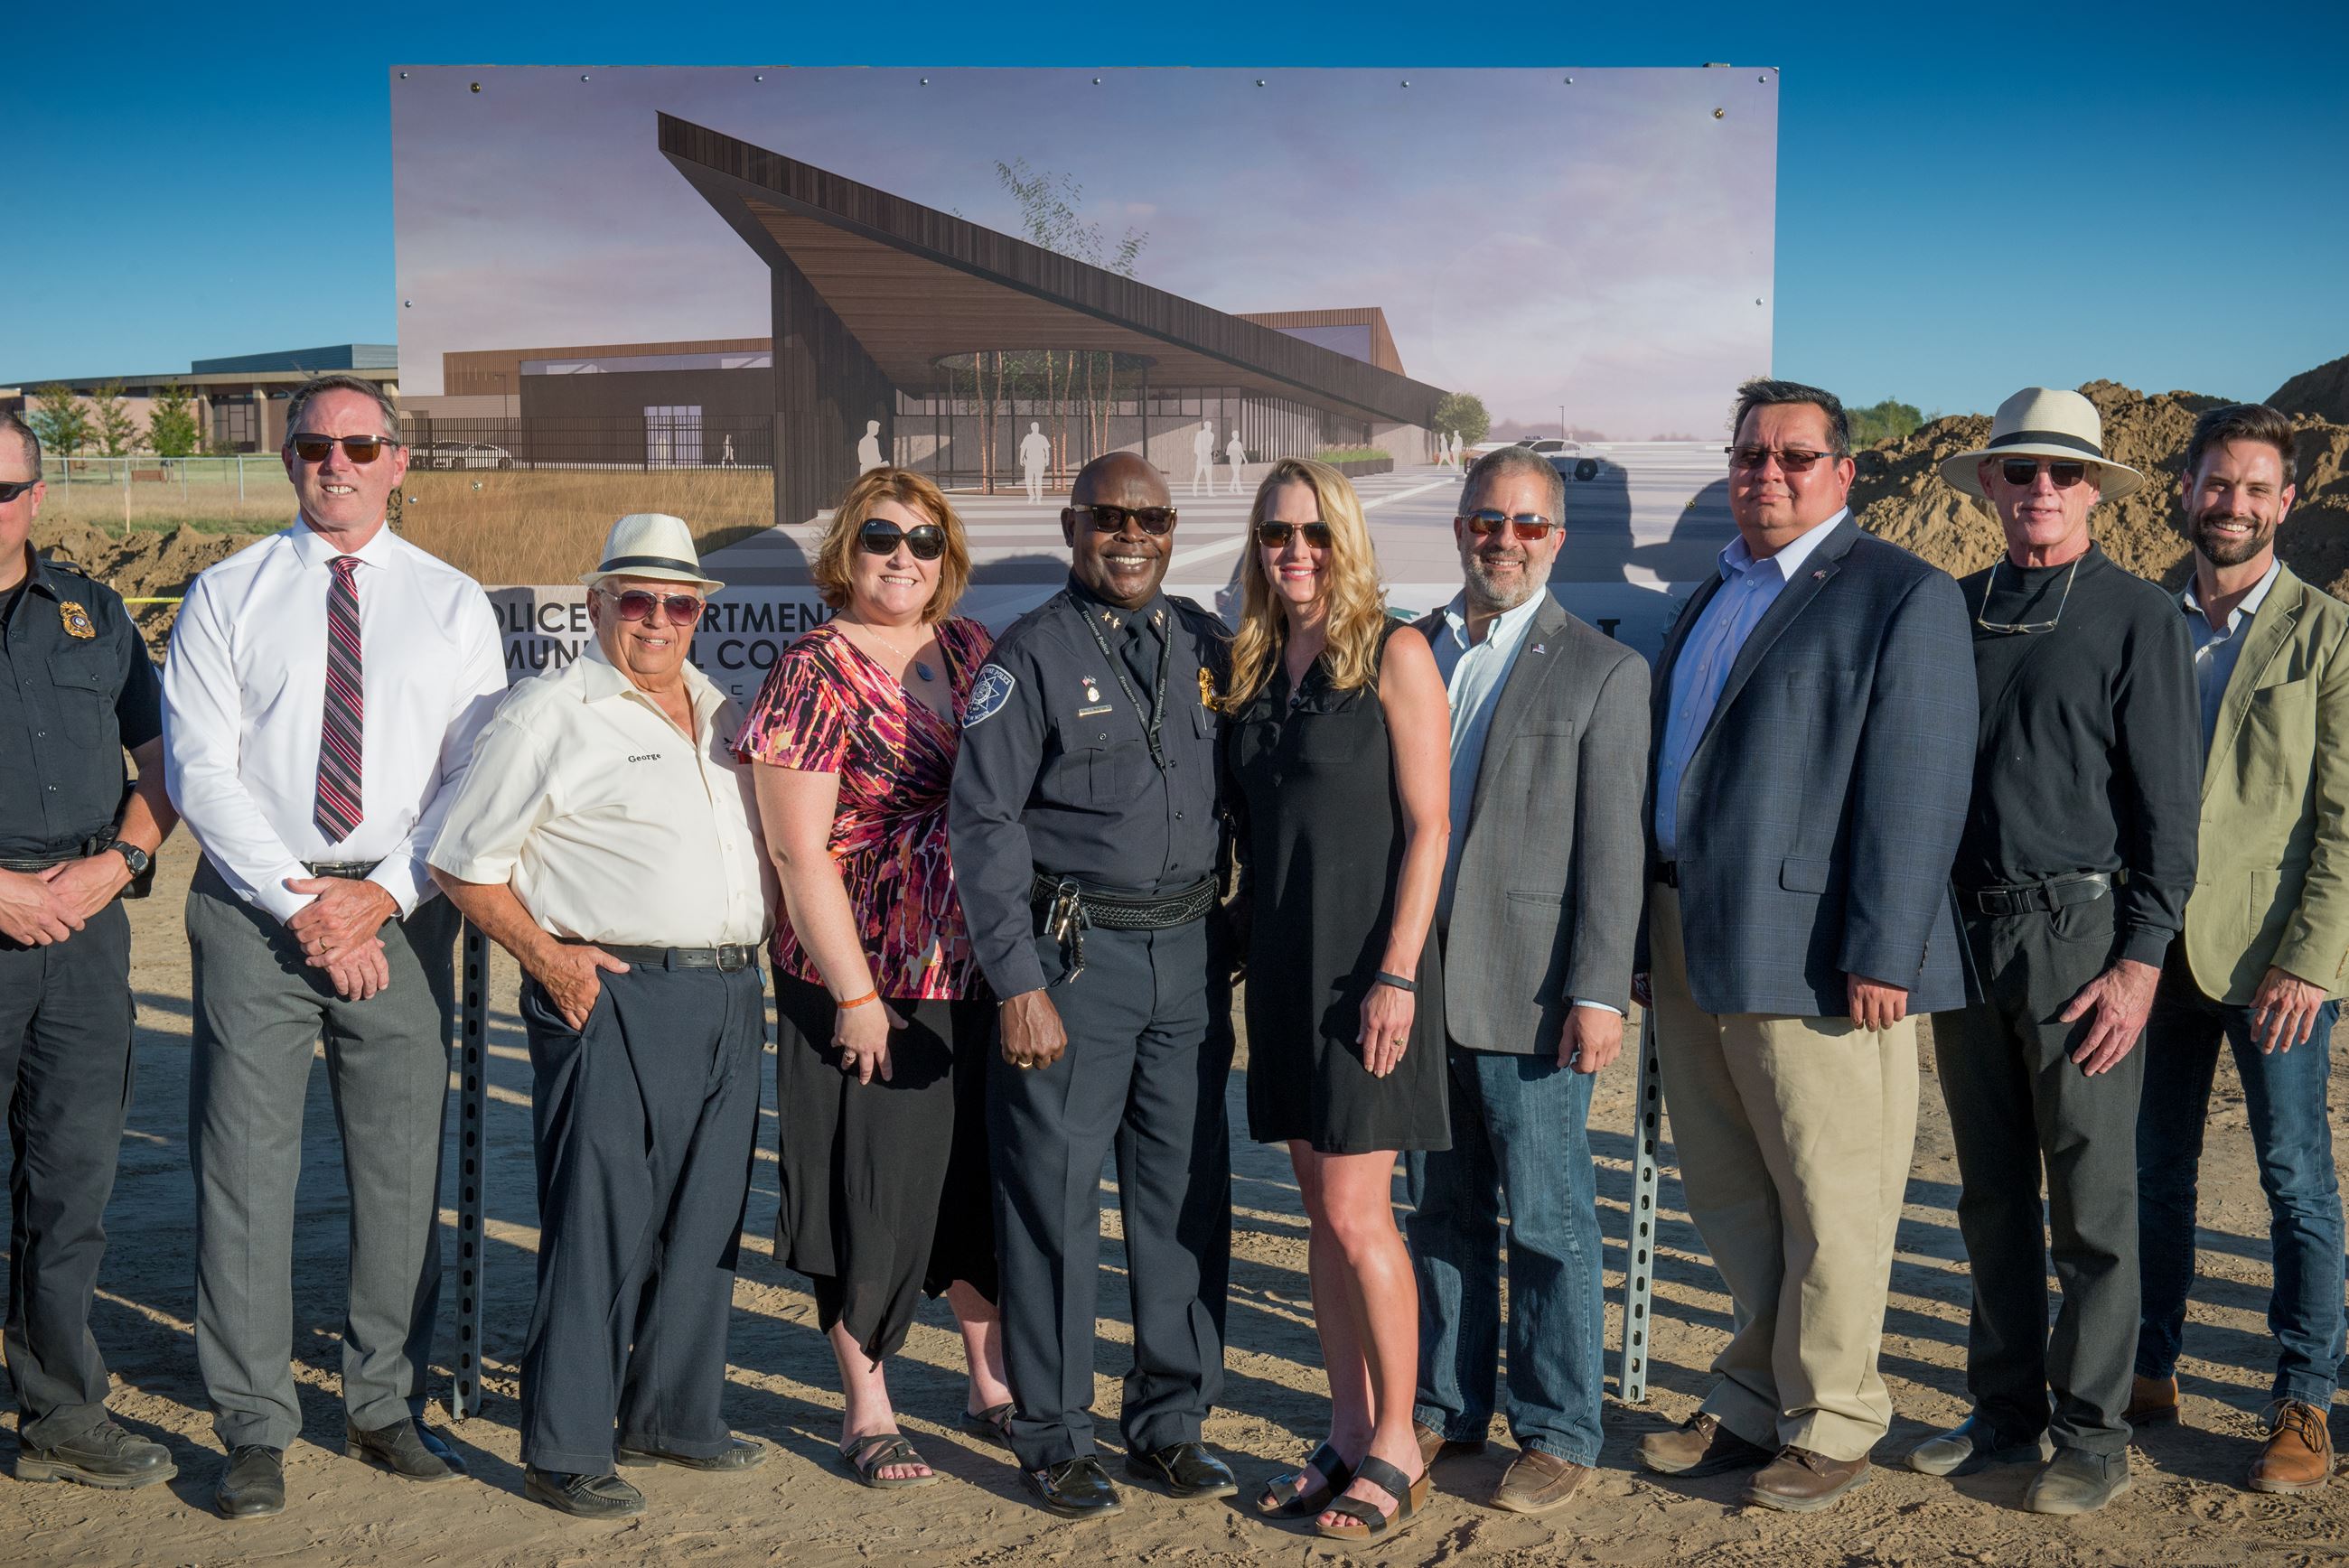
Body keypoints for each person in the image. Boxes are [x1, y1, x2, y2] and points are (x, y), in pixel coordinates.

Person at [162, 374, 506, 1518]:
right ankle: (254, 1424)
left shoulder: (457, 604)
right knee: (246, 1176)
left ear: (399, 461)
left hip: (399, 915)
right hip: (257, 911)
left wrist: (383, 897)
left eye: (361, 443)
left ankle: (383, 1404)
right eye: (314, 443)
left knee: (400, 1173)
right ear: (289, 457)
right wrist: (303, 901)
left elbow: (472, 776)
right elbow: (200, 769)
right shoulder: (225, 592)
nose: (336, 462)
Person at [1633, 378, 1977, 1514]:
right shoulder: (1708, 595)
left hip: (1818, 950)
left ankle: (1833, 1415)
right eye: (1746, 455)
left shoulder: (1897, 593)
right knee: (1732, 1188)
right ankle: (1749, 1392)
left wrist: (1884, 946)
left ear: (1843, 470)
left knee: (1833, 1191)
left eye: (1791, 456)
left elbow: (1917, 783)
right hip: (1692, 930)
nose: (1764, 474)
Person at [428, 514, 774, 1519]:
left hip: (724, 987)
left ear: (701, 612)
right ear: (595, 605)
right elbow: (460, 858)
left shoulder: (721, 709)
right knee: (600, 1218)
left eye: (677, 601)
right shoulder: (549, 710)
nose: (657, 618)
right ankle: (566, 1444)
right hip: (613, 987)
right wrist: (546, 956)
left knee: (706, 1214)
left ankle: (672, 1412)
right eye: (635, 598)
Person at [1907, 387, 2199, 1515]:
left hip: (2078, 937)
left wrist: (2137, 962)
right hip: (1961, 932)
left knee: (2090, 1200)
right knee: (1988, 1191)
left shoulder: (2135, 616)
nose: (2041, 489)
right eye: (2020, 469)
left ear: (2093, 490)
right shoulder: (1951, 608)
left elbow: (2169, 815)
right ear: (1986, 482)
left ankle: (2090, 1431)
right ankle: (2001, 1410)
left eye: (2063, 474)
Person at [948, 452, 1237, 1519]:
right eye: (1109, 517)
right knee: (1054, 1205)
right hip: (1073, 963)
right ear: (1073, 524)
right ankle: (1054, 1430)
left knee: (1180, 1203)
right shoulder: (1024, 657)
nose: (1130, 535)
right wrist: (1015, 979)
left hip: (1188, 964)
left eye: (1150, 518)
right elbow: (980, 825)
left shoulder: (1206, 645)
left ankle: (1169, 1421)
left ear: (1170, 528)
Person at [735, 468, 1013, 1488]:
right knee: (874, 1191)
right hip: (863, 973)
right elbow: (798, 853)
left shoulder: (973, 650)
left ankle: (991, 1379)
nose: (904, 556)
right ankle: (869, 1400)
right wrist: (854, 994)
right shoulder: (809, 669)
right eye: (882, 537)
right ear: (845, 550)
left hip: (975, 971)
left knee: (974, 1182)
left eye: (925, 539)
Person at [1401, 445, 1648, 1516]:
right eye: (1484, 521)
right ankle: (1444, 1404)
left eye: (1526, 524)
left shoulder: (1600, 667)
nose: (1501, 539)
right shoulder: (1407, 647)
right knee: (1440, 1212)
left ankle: (1556, 1427)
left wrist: (1599, 989)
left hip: (1536, 993)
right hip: (1418, 989)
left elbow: (1612, 848)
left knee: (1547, 1219)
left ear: (1557, 535)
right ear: (1459, 526)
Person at [1223, 458, 1451, 1545]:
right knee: (1317, 1213)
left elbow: (1431, 828)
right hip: (1282, 969)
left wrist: (1397, 971)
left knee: (1361, 1216)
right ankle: (1348, 1423)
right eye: (1276, 533)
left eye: (1313, 532)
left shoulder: (1396, 651)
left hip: (1367, 971)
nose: (1294, 551)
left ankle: (1401, 1438)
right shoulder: (1258, 663)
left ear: (1346, 537)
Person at [2129, 404, 2347, 1493]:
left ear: (2285, 502)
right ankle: (2150, 1364)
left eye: (2257, 488)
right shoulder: (2136, 617)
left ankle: (2301, 1398)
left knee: (2293, 1177)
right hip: (2151, 950)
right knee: (2152, 1170)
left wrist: (2309, 960)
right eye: (2218, 483)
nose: (2234, 505)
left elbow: (2342, 817)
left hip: (2272, 959)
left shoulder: (2327, 633)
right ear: (2184, 488)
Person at [0, 413, 179, 1491]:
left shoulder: (93, 613)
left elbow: (165, 762)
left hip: (85, 930)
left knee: (70, 1185)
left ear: (38, 491)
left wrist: (117, 862)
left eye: (7, 487)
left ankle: (61, 1414)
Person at [1020, 423, 1053, 505]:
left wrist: (1047, 459)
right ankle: (1031, 495)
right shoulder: (1028, 438)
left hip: (1039, 462)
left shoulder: (1042, 438)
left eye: (1037, 427)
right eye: (1034, 427)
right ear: (1032, 428)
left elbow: (1046, 450)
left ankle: (1038, 497)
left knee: (1038, 480)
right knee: (1028, 479)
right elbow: (1023, 448)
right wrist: (1021, 458)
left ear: (1038, 428)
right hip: (1030, 461)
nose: (1035, 428)